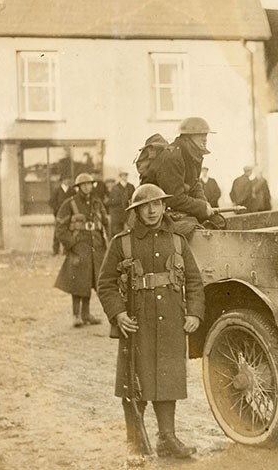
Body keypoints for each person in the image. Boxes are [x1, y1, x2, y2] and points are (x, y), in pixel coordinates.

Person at [97, 184, 204, 464]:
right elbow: (105, 283)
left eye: (157, 204)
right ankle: (135, 442)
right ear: (136, 210)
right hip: (137, 322)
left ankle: (167, 438)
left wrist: (194, 313)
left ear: (164, 206)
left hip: (171, 320)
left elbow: (193, 280)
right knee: (135, 382)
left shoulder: (178, 240)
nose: (153, 210)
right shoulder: (123, 243)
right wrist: (118, 313)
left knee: (167, 379)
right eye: (146, 206)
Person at [141, 118, 216, 237]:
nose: (204, 138)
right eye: (199, 134)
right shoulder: (172, 157)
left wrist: (205, 205)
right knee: (193, 228)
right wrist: (201, 208)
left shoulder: (193, 154)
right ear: (187, 137)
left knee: (216, 221)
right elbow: (174, 198)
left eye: (205, 134)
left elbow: (195, 184)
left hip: (174, 209)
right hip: (154, 212)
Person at [54, 173, 108, 327]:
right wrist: (71, 244)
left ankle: (86, 314)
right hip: (79, 248)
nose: (87, 187)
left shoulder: (97, 203)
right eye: (84, 185)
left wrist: (107, 242)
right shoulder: (69, 204)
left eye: (90, 184)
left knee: (90, 280)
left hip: (96, 248)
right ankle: (76, 315)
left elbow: (105, 222)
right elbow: (60, 228)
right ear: (78, 187)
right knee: (77, 281)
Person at [49, 176, 74, 255]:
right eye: (66, 179)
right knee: (58, 231)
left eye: (68, 179)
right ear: (62, 181)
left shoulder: (72, 190)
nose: (67, 181)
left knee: (69, 231)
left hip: (69, 214)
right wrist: (58, 209)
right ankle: (55, 249)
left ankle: (66, 250)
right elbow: (51, 202)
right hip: (59, 215)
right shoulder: (57, 190)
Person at [107, 171, 136, 237]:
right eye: (122, 176)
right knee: (117, 231)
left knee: (129, 229)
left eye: (125, 175)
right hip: (118, 213)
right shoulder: (115, 188)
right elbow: (111, 201)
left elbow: (134, 198)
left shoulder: (130, 186)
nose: (124, 177)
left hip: (128, 212)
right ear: (120, 177)